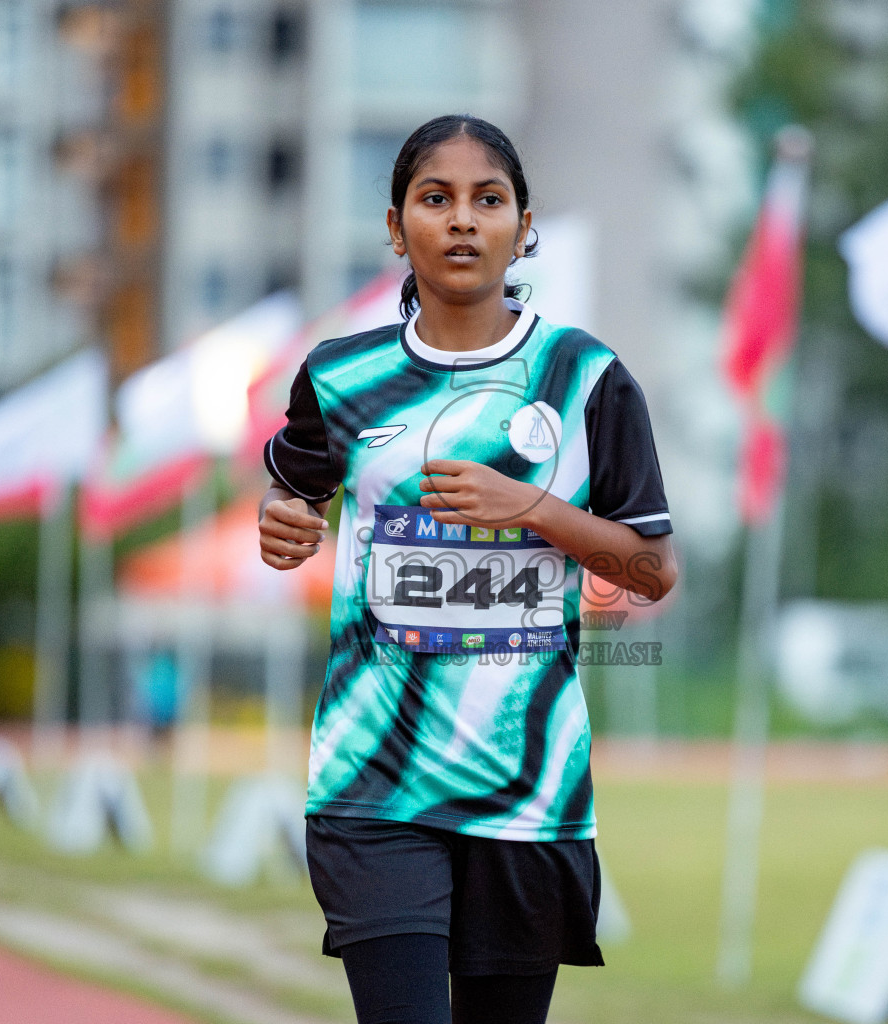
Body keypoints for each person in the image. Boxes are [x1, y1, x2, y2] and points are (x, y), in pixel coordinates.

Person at [258, 113, 676, 1024]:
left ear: (524, 228)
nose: (461, 220)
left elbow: (650, 571)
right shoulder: (340, 378)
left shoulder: (587, 378)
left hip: (527, 799)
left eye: (488, 200)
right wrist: (283, 521)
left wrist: (530, 507)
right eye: (434, 198)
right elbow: (293, 491)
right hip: (374, 786)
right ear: (395, 226)